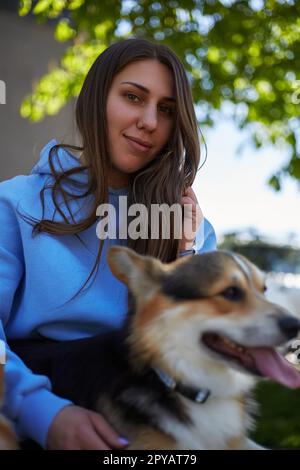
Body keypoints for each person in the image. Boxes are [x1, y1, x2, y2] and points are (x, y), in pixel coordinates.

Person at [0, 38, 217, 450]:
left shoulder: (190, 227)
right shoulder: (15, 203)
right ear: (97, 98)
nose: (149, 121)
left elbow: (201, 356)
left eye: (167, 110)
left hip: (153, 429)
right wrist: (42, 412)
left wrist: (185, 252)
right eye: (133, 97)